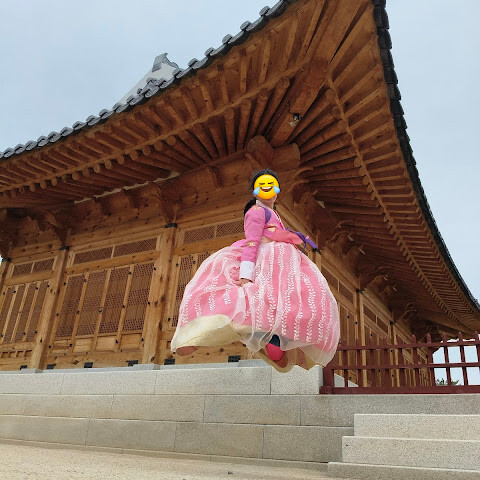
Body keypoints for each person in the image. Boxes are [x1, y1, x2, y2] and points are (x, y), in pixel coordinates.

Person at [171, 168, 340, 372]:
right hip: (265, 260)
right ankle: (200, 333)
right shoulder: (256, 211)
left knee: (281, 304)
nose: (267, 188)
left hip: (279, 263)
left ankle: (275, 343)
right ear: (255, 191)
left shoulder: (273, 213)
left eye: (271, 185)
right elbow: (252, 242)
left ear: (277, 191)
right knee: (249, 301)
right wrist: (246, 275)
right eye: (262, 185)